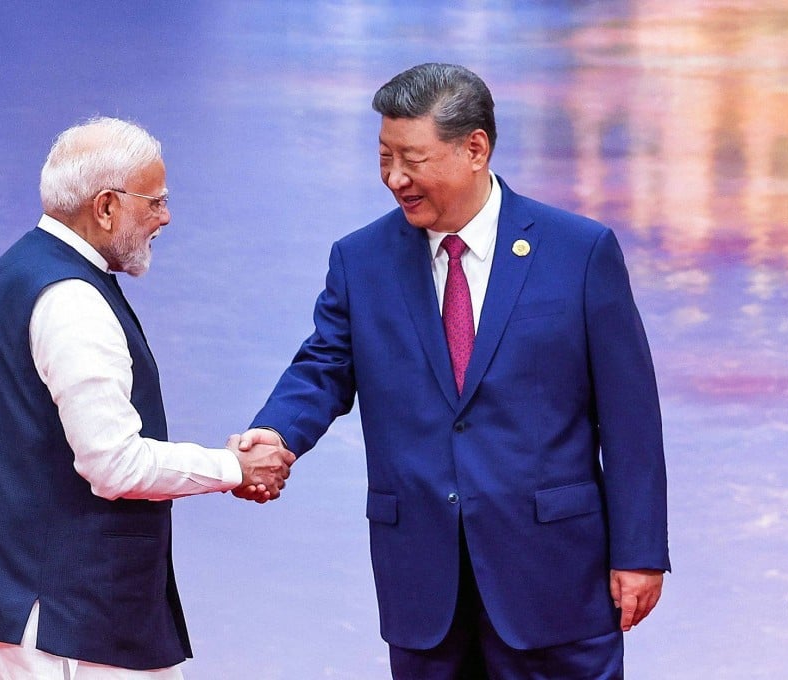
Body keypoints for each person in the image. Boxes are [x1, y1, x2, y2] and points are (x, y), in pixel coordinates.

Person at [236, 63, 669, 679]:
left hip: (554, 579)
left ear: (475, 148)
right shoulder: (362, 259)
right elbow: (324, 365)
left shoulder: (578, 251)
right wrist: (277, 434)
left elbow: (630, 418)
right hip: (423, 585)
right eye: (384, 157)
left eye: (412, 159)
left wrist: (639, 551)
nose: (395, 178)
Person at [0, 116, 294, 679]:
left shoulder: (17, 272)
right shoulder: (74, 300)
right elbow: (113, 463)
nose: (165, 217)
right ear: (106, 207)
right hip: (59, 624)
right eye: (156, 202)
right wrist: (233, 468)